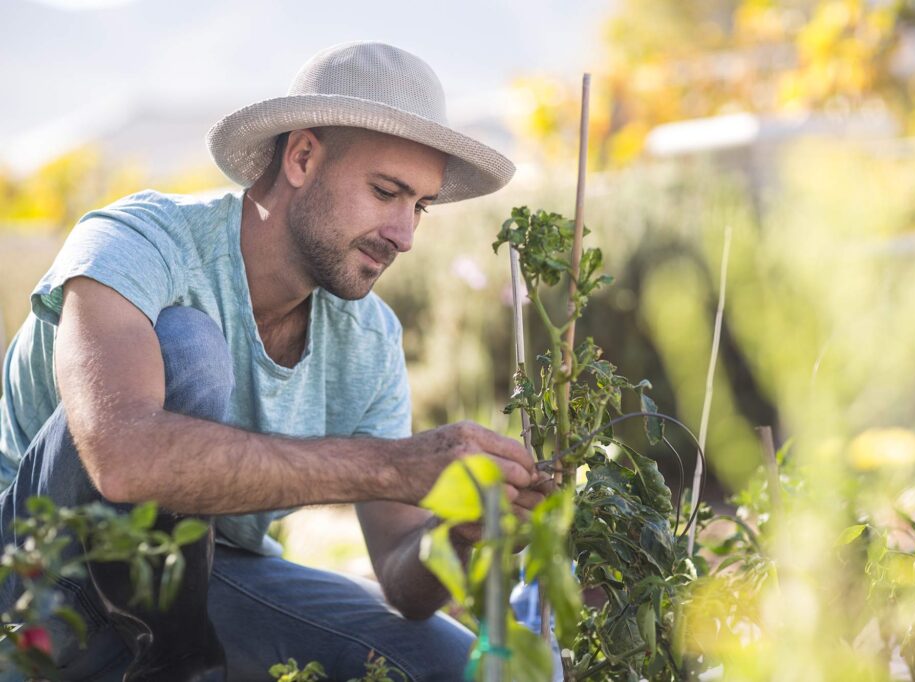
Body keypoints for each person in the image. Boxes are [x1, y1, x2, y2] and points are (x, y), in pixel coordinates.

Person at [0, 41, 549, 681]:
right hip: (34, 576)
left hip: (207, 577)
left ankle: (179, 656)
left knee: (450, 665)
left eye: (418, 207)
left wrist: (460, 529)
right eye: (385, 192)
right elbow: (120, 456)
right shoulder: (138, 242)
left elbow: (402, 575)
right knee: (188, 347)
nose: (404, 235)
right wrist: (392, 466)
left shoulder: (367, 338)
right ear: (303, 156)